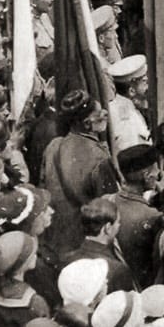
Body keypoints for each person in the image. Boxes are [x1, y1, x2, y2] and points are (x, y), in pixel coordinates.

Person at [40, 89, 120, 253]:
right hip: (81, 244)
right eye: (99, 113)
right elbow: (108, 205)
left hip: (52, 239)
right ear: (87, 124)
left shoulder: (53, 146)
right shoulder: (99, 157)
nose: (105, 114)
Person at [106, 144, 164, 290]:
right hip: (141, 287)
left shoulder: (107, 200)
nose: (158, 173)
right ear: (146, 176)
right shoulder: (152, 216)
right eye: (156, 169)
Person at [60, 197, 137, 292]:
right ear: (107, 228)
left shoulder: (66, 260)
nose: (119, 226)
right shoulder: (118, 270)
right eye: (118, 222)